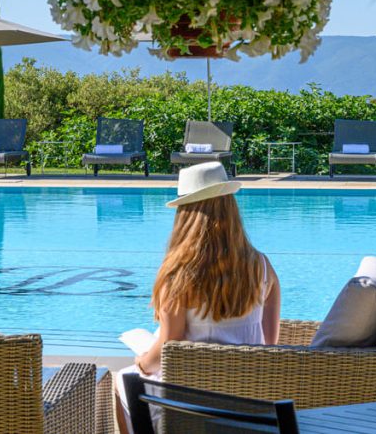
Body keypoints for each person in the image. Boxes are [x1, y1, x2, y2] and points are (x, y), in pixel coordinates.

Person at [114, 161, 281, 434]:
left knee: (123, 379)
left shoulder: (179, 276)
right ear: (231, 209)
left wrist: (142, 361)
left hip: (188, 408)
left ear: (186, 215)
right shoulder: (261, 265)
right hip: (248, 404)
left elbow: (169, 345)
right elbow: (269, 344)